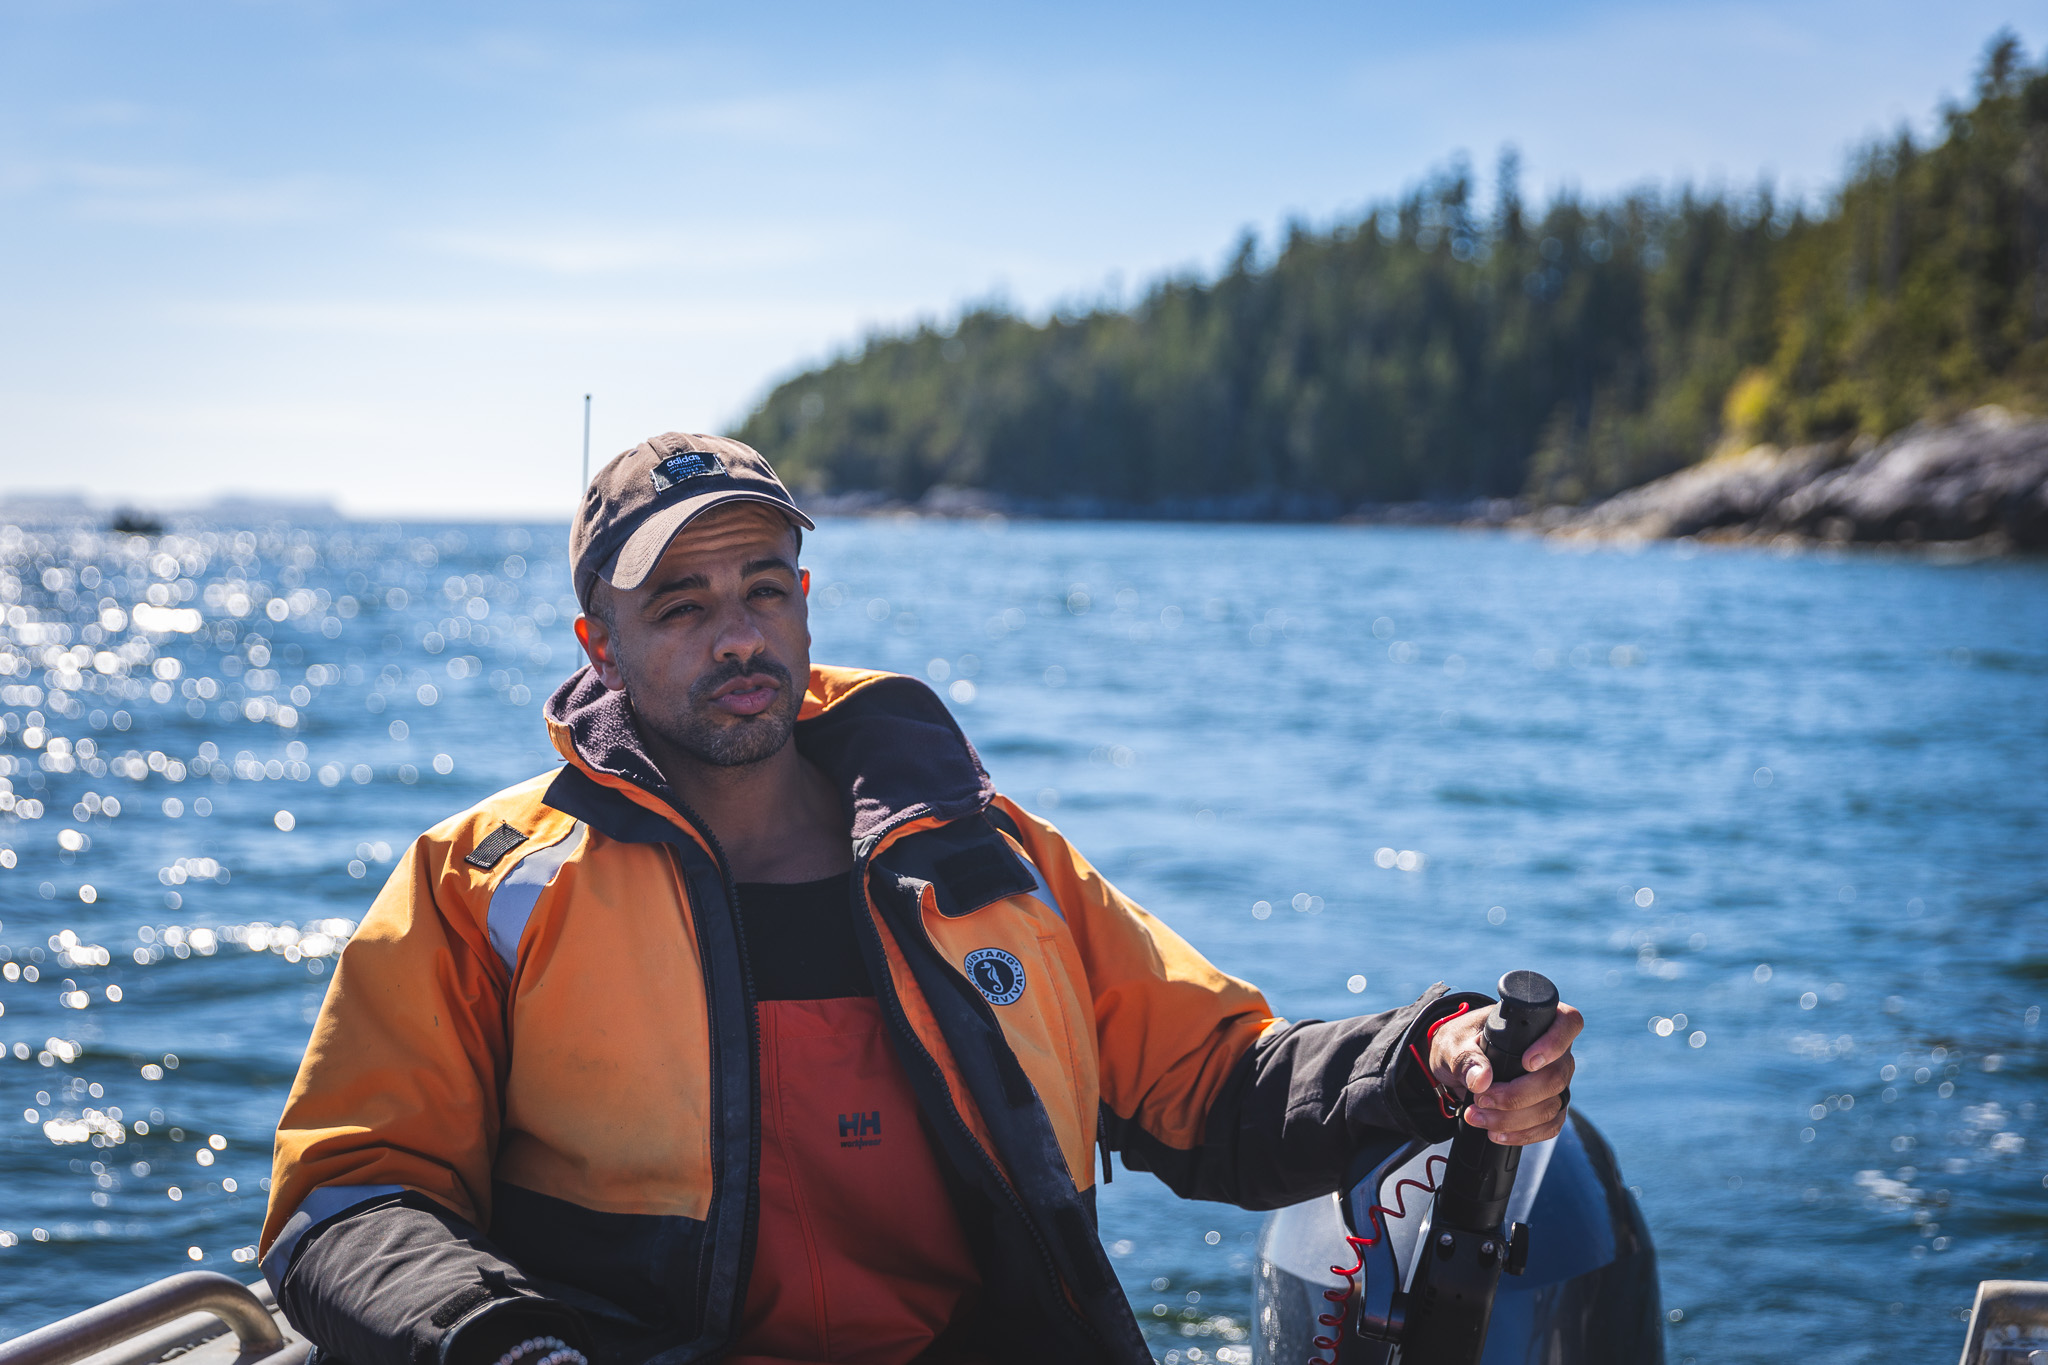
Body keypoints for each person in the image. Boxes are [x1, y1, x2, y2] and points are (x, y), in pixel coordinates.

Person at [260, 433, 1581, 1365]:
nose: (737, 634)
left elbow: (1220, 1087)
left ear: (806, 605)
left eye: (762, 589)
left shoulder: (984, 855)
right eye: (681, 603)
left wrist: (1431, 1054)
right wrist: (507, 1343)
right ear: (595, 643)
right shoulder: (476, 885)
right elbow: (350, 1195)